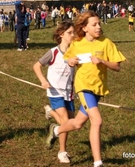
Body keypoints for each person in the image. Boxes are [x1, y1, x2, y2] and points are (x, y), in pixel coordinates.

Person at [46, 11, 126, 167]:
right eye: (94, 24)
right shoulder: (77, 43)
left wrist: (102, 61)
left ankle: (55, 131)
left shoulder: (106, 42)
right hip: (84, 87)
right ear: (84, 28)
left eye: (99, 24)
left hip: (98, 89)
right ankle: (98, 162)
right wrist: (71, 61)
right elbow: (68, 59)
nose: (98, 27)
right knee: (97, 120)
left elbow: (117, 66)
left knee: (77, 124)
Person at [33, 21, 76, 163]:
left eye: (73, 32)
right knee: (65, 121)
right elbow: (36, 66)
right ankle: (62, 152)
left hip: (69, 91)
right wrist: (43, 81)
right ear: (61, 34)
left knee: (70, 122)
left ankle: (51, 113)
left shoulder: (74, 52)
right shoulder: (53, 52)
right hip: (55, 91)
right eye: (70, 33)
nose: (73, 35)